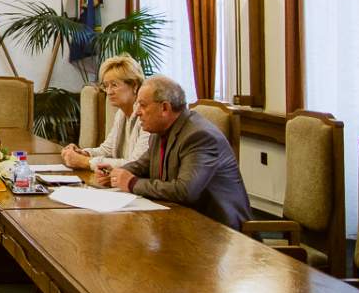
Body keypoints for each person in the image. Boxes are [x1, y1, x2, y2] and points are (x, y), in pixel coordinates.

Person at [98, 74, 252, 229]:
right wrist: (114, 174)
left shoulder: (199, 136)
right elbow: (142, 165)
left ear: (165, 108)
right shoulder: (159, 131)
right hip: (181, 220)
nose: (137, 112)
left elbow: (185, 191)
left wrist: (131, 183)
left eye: (143, 105)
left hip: (219, 230)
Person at [61, 54, 151, 172]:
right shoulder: (121, 113)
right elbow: (107, 150)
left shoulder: (147, 116)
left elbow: (135, 164)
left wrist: (85, 162)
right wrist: (83, 153)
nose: (108, 92)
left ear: (134, 85)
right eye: (106, 86)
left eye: (114, 85)